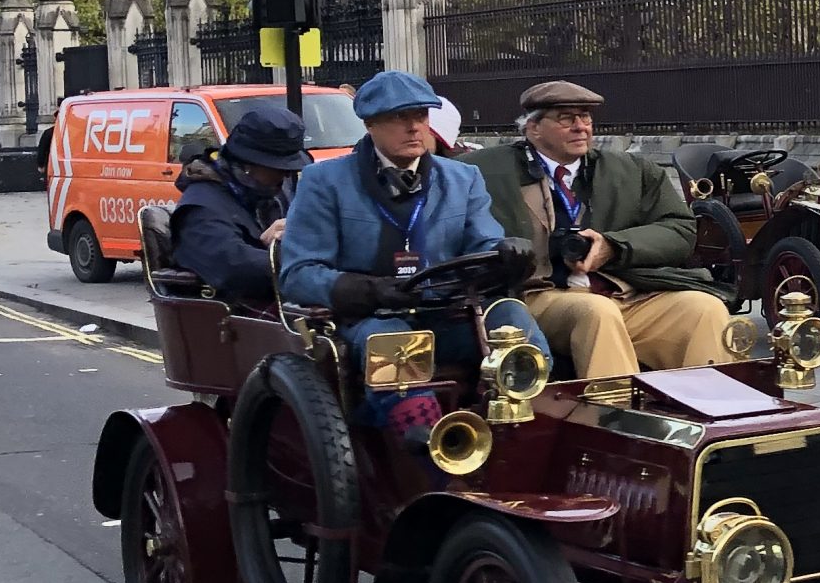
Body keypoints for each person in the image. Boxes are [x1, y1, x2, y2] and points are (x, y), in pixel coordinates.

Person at [279, 70, 544, 440]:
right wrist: (372, 291)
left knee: (512, 319)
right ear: (370, 124)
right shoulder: (325, 181)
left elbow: (484, 246)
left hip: (448, 314)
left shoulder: (462, 178)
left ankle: (531, 431)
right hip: (372, 318)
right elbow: (299, 275)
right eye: (398, 118)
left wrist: (507, 255)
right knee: (396, 342)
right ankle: (431, 447)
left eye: (420, 116)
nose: (414, 127)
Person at [472, 79, 731, 378]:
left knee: (703, 308)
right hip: (540, 296)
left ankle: (711, 413)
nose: (580, 127)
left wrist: (614, 246)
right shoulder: (484, 171)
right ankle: (615, 414)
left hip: (623, 292)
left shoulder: (632, 171)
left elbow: (681, 230)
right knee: (596, 312)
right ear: (533, 129)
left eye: (586, 118)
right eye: (566, 119)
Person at [169, 102, 310, 305]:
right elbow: (235, 268)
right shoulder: (199, 209)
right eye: (277, 167)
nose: (287, 174)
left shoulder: (275, 189)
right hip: (240, 315)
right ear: (247, 164)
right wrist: (301, 260)